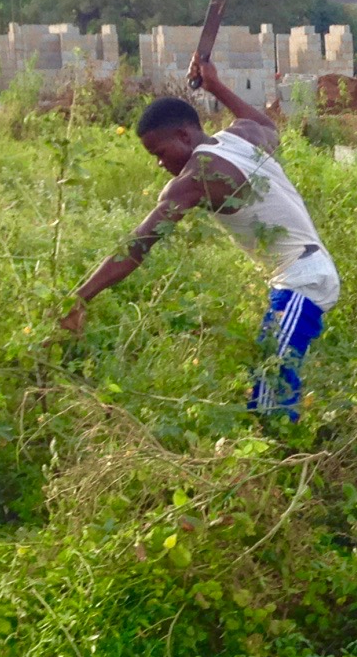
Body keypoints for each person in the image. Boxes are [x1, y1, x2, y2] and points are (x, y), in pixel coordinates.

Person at [60, 58, 339, 422]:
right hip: (302, 273)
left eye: (159, 153)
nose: (160, 164)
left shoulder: (198, 176)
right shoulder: (242, 135)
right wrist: (215, 86)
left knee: (270, 394)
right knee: (268, 376)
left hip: (303, 281)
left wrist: (80, 297)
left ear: (184, 136)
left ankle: (289, 450)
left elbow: (139, 243)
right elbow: (267, 125)